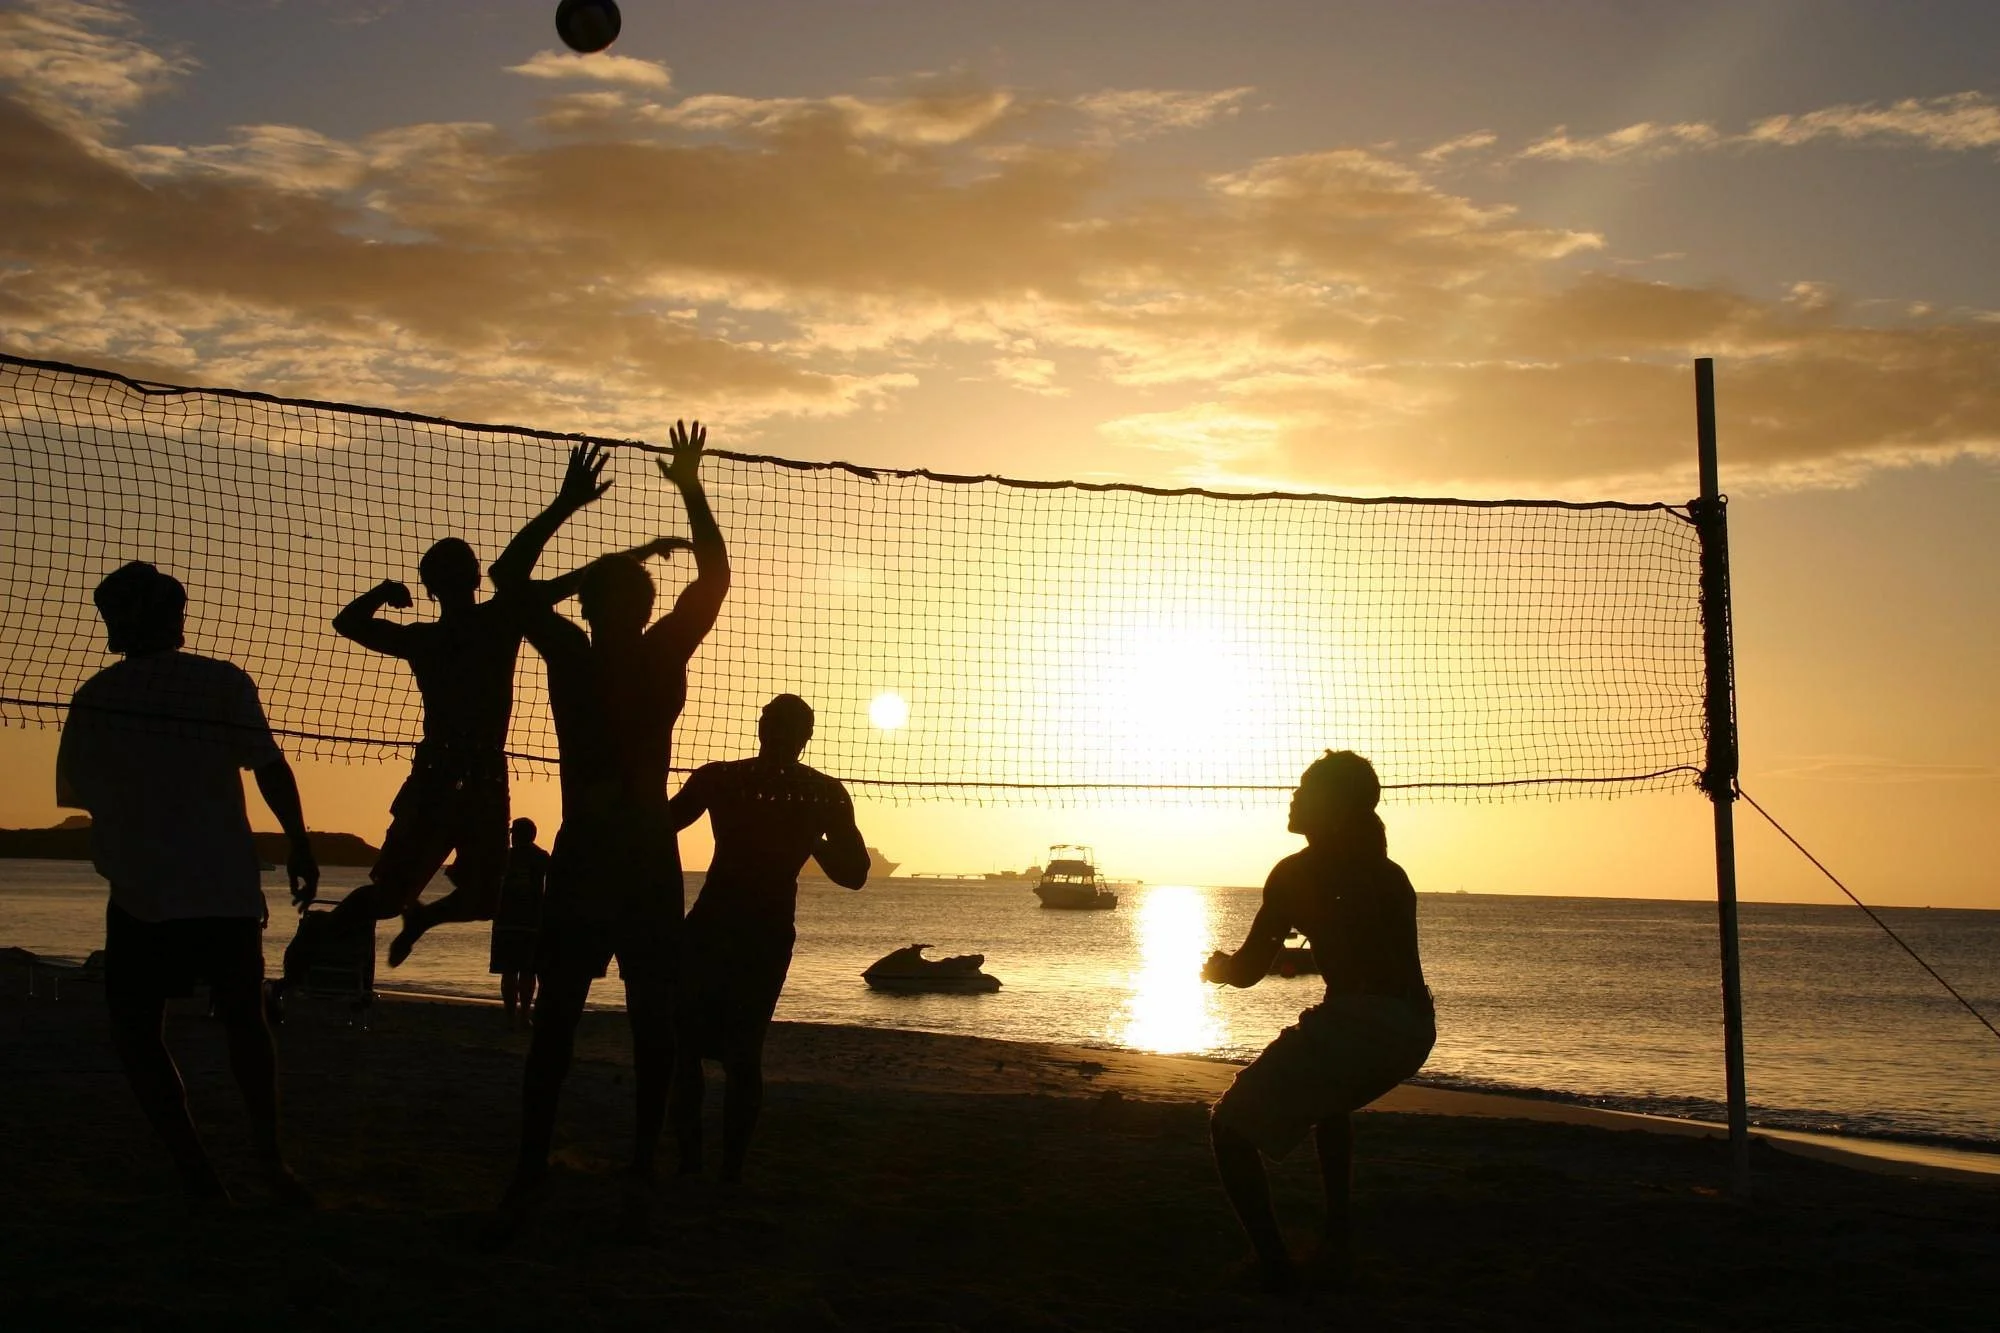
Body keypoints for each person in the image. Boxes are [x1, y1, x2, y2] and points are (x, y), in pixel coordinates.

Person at [485, 423, 728, 1241]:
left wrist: (566, 504)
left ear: (592, 603)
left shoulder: (574, 653)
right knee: (635, 1017)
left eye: (598, 596)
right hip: (635, 855)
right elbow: (716, 577)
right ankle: (632, 1162)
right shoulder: (650, 654)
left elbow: (510, 578)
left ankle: (537, 1162)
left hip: (602, 852)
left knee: (573, 1015)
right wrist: (687, 486)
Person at [54, 561, 320, 1203]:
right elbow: (269, 767)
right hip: (218, 888)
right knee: (243, 1022)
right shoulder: (219, 682)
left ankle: (198, 1170)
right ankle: (267, 1161)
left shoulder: (98, 695)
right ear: (171, 617)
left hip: (146, 892)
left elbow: (81, 793)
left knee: (140, 1031)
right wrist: (300, 842)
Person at [329, 508, 682, 968]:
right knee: (451, 899)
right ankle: (337, 937)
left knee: (418, 897)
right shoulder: (496, 621)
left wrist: (382, 592)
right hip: (468, 775)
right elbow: (577, 583)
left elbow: (348, 623)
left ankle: (389, 926)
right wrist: (637, 553)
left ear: (432, 589)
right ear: (477, 580)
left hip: (456, 773)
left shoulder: (431, 637)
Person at [1200, 750, 1434, 1293]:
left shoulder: (1296, 872)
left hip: (1362, 1021)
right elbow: (1362, 942)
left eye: (1307, 789)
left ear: (1333, 806)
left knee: (1229, 1128)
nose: (1294, 796)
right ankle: (1339, 1239)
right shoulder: (1387, 870)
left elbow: (1248, 971)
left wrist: (1216, 970)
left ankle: (1274, 1269)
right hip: (1414, 1025)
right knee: (1329, 1104)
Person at [667, 694, 869, 1182]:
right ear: (805, 736)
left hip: (729, 925)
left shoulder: (726, 778)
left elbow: (657, 824)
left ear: (768, 729)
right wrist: (812, 838)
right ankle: (718, 1170)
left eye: (779, 726)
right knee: (728, 1054)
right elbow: (855, 874)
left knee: (700, 1050)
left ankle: (702, 1166)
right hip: (754, 929)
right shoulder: (817, 793)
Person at [490, 818, 551, 1025]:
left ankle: (510, 1016)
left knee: (509, 972)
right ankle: (524, 1015)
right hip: (532, 922)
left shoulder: (504, 857)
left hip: (506, 921)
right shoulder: (541, 857)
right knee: (528, 972)